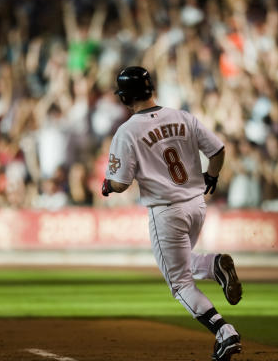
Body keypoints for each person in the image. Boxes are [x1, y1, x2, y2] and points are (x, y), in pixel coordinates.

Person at [101, 66, 243, 361]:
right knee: (183, 264)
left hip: (166, 210)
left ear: (125, 97)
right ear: (150, 89)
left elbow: (121, 182)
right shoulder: (183, 116)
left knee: (179, 283)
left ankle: (224, 331)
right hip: (196, 204)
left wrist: (107, 186)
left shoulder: (127, 130)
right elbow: (217, 150)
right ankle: (213, 265)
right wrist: (211, 178)